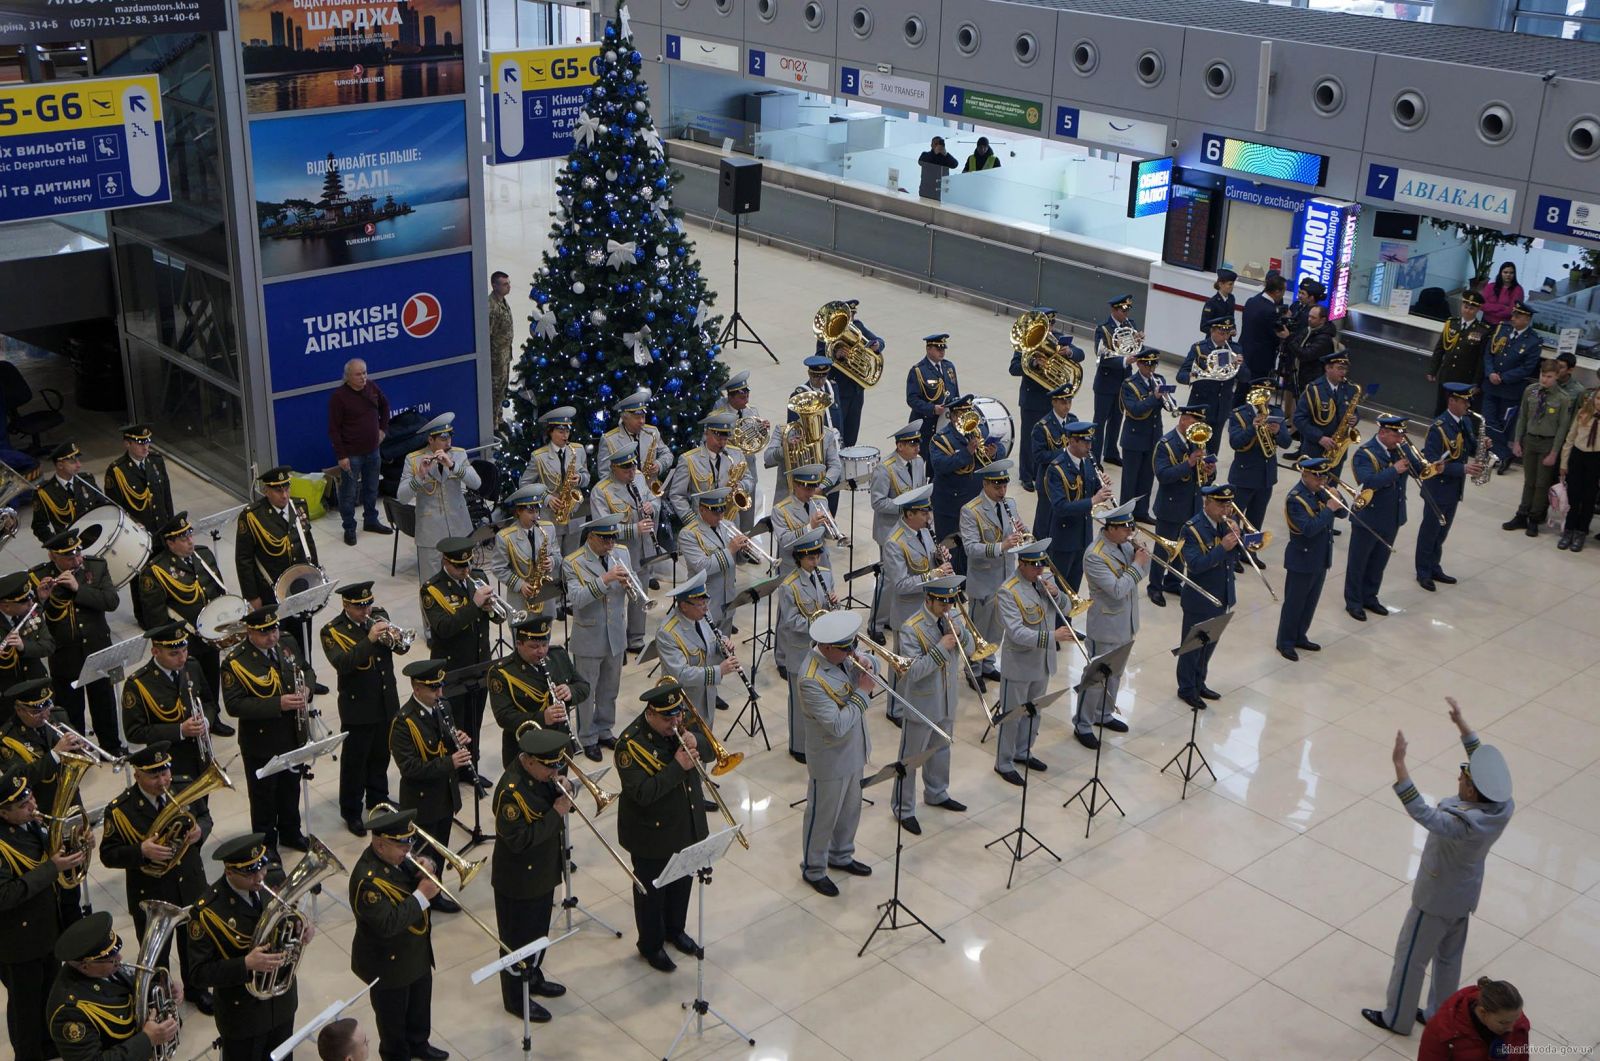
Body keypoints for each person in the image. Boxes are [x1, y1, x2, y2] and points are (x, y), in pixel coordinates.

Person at [1363, 699, 1513, 1037]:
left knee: (1410, 959)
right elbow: (1484, 765)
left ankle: (1397, 1018)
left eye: (1462, 775)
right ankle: (1439, 1016)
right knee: (1448, 961)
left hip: (1434, 899)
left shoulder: (1464, 823)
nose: (1458, 777)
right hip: (1463, 897)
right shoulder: (1500, 807)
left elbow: (1424, 814)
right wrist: (1462, 725)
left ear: (1472, 789)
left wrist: (1400, 765)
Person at [98, 742, 212, 1013]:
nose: (163, 781)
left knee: (194, 942)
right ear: (137, 775)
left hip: (190, 882)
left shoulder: (183, 788)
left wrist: (200, 833)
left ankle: (197, 989)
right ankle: (162, 1000)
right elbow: (108, 854)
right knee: (157, 953)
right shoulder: (120, 809)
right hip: (152, 891)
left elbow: (205, 817)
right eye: (154, 776)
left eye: (166, 772)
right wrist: (141, 850)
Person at [614, 680, 709, 969]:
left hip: (685, 821)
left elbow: (712, 748)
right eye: (667, 718)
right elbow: (643, 793)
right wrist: (677, 767)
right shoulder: (629, 745)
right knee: (652, 893)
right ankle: (651, 945)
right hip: (650, 833)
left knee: (682, 882)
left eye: (677, 715)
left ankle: (675, 930)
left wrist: (697, 742)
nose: (675, 722)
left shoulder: (680, 719)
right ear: (650, 713)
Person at [187, 834, 304, 1061]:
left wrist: (301, 926)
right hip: (243, 1017)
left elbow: (287, 919)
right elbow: (198, 974)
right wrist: (245, 964)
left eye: (262, 869)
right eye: (250, 874)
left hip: (282, 1003)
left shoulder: (271, 881)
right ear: (229, 872)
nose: (260, 878)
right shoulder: (207, 912)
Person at [349, 807, 447, 1061]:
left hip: (415, 952)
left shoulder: (396, 859)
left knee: (419, 1007)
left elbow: (415, 871)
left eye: (409, 844)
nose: (408, 851)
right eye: (402, 846)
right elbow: (388, 925)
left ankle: (419, 1044)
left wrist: (430, 864)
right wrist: (422, 895)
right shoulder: (367, 881)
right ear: (380, 845)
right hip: (388, 964)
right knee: (393, 1024)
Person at [0, 763, 81, 1061]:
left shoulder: (33, 822)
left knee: (48, 995)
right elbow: (5, 895)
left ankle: (48, 1045)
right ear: (3, 813)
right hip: (18, 941)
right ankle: (28, 1054)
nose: (33, 805)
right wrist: (52, 868)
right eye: (23, 804)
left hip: (47, 927)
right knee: (24, 1007)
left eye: (31, 796)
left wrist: (76, 847)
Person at [491, 726, 571, 1020]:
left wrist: (563, 787)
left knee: (538, 933)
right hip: (518, 879)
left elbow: (552, 792)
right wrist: (556, 813)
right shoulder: (511, 793)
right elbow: (519, 840)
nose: (554, 773)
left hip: (542, 870)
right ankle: (515, 999)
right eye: (549, 768)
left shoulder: (539, 775)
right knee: (516, 942)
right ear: (529, 761)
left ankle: (533, 977)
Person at [222, 606, 314, 860]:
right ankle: (265, 843)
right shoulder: (236, 662)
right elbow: (234, 705)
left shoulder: (286, 641)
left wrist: (307, 688)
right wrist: (278, 704)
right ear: (250, 632)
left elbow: (305, 669)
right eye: (264, 633)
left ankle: (290, 831)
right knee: (264, 796)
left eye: (273, 629)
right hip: (261, 741)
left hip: (292, 733)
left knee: (290, 788)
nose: (272, 637)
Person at [0, 679, 90, 933]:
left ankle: (76, 932)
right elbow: (20, 778)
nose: (45, 714)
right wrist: (54, 754)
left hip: (69, 806)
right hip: (40, 812)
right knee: (52, 879)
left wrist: (79, 750)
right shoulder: (7, 742)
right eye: (36, 710)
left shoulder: (57, 716)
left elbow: (74, 761)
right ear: (19, 710)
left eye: (46, 706)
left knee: (72, 879)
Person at [797, 611, 874, 896]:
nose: (852, 652)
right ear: (827, 647)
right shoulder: (811, 679)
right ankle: (814, 868)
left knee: (850, 810)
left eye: (853, 647)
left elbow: (867, 660)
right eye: (847, 649)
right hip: (830, 758)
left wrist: (868, 662)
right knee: (823, 816)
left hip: (854, 750)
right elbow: (837, 725)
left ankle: (841, 854)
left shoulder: (842, 655)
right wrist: (864, 692)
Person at [31, 528, 122, 756]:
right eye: (69, 557)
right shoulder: (37, 577)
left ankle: (111, 746)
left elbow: (111, 601)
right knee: (71, 708)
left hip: (97, 648)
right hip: (65, 654)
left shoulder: (96, 567)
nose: (77, 560)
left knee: (104, 702)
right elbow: (30, 622)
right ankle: (78, 752)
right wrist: (40, 599)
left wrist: (78, 588)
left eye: (78, 554)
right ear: (53, 556)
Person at [892, 575, 971, 834]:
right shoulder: (911, 628)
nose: (948, 608)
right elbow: (912, 672)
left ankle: (937, 792)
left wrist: (961, 635)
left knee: (941, 749)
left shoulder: (952, 617)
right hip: (922, 704)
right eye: (942, 603)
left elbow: (970, 648)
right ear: (929, 599)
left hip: (947, 699)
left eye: (950, 602)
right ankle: (902, 808)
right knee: (911, 758)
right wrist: (940, 648)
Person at [321, 582, 401, 836]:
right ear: (346, 605)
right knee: (355, 763)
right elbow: (343, 664)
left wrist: (397, 639)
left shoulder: (379, 616)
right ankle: (352, 811)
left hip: (385, 701)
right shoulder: (331, 631)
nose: (366, 610)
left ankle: (378, 799)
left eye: (368, 604)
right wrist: (369, 639)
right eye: (359, 607)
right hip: (358, 707)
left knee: (380, 755)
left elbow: (401, 648)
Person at [993, 538, 1073, 784]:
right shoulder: (1008, 591)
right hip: (1019, 664)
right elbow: (1016, 632)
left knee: (1034, 711)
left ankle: (1023, 751)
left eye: (1042, 565)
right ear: (1022, 564)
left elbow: (1068, 607)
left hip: (1042, 662)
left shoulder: (1045, 582)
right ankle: (1004, 762)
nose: (1040, 570)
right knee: (1012, 715)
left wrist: (1057, 594)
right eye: (1035, 566)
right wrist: (1052, 636)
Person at [48, 910, 179, 1060]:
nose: (120, 958)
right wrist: (147, 1039)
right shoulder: (69, 1012)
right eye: (112, 958)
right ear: (85, 966)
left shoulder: (104, 969)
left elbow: (131, 989)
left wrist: (165, 990)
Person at [419, 537, 494, 784]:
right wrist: (474, 606)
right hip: (452, 668)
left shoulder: (476, 578)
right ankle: (450, 771)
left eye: (468, 564)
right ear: (445, 562)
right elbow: (443, 628)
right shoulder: (432, 590)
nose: (466, 571)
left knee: (474, 719)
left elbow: (492, 620)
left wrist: (492, 609)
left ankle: (470, 767)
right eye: (460, 567)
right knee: (453, 723)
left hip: (479, 663)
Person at [121, 624, 218, 813]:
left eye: (184, 650)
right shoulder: (138, 684)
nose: (182, 658)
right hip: (168, 764)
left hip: (200, 757)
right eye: (174, 654)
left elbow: (209, 702)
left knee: (201, 813)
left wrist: (205, 720)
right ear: (155, 651)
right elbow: (134, 732)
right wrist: (180, 730)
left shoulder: (192, 666)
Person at [139, 511, 233, 707]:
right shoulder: (156, 571)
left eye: (190, 535)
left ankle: (213, 715)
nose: (190, 541)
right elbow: (155, 616)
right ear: (170, 543)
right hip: (183, 640)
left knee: (211, 675)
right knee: (189, 684)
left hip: (210, 632)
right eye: (183, 538)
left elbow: (217, 591)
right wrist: (172, 645)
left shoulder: (203, 554)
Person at [236, 466, 322, 673]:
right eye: (278, 490)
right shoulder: (252, 516)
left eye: (286, 488)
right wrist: (252, 596)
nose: (284, 495)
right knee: (277, 637)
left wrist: (316, 576)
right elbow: (244, 559)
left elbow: (307, 543)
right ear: (266, 491)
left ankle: (305, 674)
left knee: (302, 630)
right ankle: (283, 678)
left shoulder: (298, 506)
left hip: (300, 585)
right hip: (270, 589)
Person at [1075, 503, 1146, 749]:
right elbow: (1117, 590)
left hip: (1126, 620)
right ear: (1111, 528)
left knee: (1115, 673)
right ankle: (1082, 723)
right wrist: (1137, 564)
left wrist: (1141, 558)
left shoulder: (1124, 544)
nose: (1130, 532)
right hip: (1105, 624)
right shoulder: (1095, 555)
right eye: (1125, 528)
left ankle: (1103, 714)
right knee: (1096, 677)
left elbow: (1139, 575)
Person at [880, 485, 951, 723]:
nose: (928, 517)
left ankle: (915, 703)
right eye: (923, 513)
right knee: (902, 663)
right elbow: (899, 585)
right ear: (909, 514)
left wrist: (939, 560)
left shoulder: (924, 531)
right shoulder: (894, 542)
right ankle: (895, 710)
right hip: (908, 612)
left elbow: (927, 561)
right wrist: (933, 575)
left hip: (927, 610)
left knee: (923, 660)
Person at [562, 514, 631, 760]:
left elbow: (628, 589)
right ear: (591, 537)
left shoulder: (622, 553)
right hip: (589, 636)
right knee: (586, 692)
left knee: (610, 689)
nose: (610, 544)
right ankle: (588, 737)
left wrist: (628, 586)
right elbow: (577, 600)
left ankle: (604, 729)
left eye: (613, 537)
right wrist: (606, 579)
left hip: (615, 635)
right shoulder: (573, 562)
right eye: (605, 539)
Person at [390, 658, 469, 857]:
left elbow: (443, 743)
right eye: (434, 689)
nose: (440, 693)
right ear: (417, 689)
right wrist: (449, 762)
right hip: (423, 804)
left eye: (441, 686)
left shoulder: (443, 707)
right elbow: (409, 768)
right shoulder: (403, 723)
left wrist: (458, 739)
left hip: (446, 796)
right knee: (423, 860)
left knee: (439, 855)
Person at [488, 614, 586, 769]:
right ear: (518, 644)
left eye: (544, 645)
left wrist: (571, 691)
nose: (541, 651)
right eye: (534, 646)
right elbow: (504, 717)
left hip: (559, 743)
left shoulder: (558, 656)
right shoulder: (502, 673)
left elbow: (584, 686)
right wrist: (542, 718)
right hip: (525, 751)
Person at [1417, 384, 1486, 590]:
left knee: (1442, 531)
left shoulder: (1464, 421)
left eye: (1468, 401)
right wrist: (1462, 469)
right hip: (1437, 488)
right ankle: (1423, 571)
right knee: (1430, 531)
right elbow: (1431, 461)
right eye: (1464, 401)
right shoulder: (1438, 427)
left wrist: (1484, 444)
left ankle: (1434, 566)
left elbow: (1469, 445)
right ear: (1452, 401)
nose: (1468, 405)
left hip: (1454, 488)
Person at [1276, 458, 1346, 661]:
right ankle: (1285, 641)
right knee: (1294, 603)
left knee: (1310, 603)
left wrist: (1337, 498)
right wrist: (1329, 509)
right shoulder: (1295, 499)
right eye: (1317, 476)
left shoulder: (1321, 492)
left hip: (1320, 557)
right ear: (1304, 475)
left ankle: (1300, 635)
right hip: (1302, 558)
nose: (1321, 480)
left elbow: (1342, 512)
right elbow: (1308, 529)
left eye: (1324, 476)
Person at [1176, 485, 1238, 710]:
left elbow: (1234, 559)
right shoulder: (1191, 529)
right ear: (1207, 503)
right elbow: (1195, 565)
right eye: (1221, 504)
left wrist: (1239, 539)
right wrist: (1222, 548)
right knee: (1192, 647)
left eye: (1228, 504)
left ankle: (1199, 682)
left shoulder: (1225, 524)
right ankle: (1186, 688)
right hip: (1199, 598)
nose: (1226, 509)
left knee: (1209, 644)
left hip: (1221, 594)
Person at [589, 449, 661, 643]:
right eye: (626, 468)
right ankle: (615, 639)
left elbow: (654, 499)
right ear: (614, 468)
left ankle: (636, 637)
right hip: (616, 552)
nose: (632, 472)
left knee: (641, 592)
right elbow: (602, 527)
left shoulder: (638, 478)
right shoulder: (601, 491)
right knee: (616, 598)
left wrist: (651, 507)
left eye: (634, 466)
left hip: (643, 548)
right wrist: (633, 529)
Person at [398, 414, 479, 582]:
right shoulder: (413, 459)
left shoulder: (459, 455)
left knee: (465, 579)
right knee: (432, 583)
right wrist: (420, 476)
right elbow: (402, 497)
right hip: (431, 532)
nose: (448, 443)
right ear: (430, 439)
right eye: (442, 439)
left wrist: (453, 466)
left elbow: (477, 483)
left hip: (459, 528)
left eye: (450, 437)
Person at [959, 461, 1021, 683]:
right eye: (997, 487)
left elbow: (1017, 530)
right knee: (978, 630)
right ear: (985, 484)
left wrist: (1021, 536)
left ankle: (988, 664)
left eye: (1004, 486)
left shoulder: (1009, 504)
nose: (1002, 492)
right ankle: (973, 669)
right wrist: (1002, 546)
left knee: (997, 627)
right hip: (983, 581)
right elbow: (971, 548)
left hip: (1005, 578)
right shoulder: (970, 510)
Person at [1344, 415, 1410, 621]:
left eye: (1401, 434)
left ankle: (1370, 597)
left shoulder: (1399, 449)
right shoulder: (1364, 453)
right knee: (1359, 562)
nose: (1400, 439)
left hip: (1392, 515)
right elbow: (1369, 481)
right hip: (1369, 516)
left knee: (1379, 561)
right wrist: (1393, 470)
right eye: (1395, 434)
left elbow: (1418, 470)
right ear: (1382, 433)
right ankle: (1353, 601)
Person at [930, 393, 1007, 568]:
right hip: (951, 505)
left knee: (972, 542)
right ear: (954, 416)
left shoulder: (979, 430)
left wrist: (994, 452)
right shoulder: (940, 439)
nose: (967, 418)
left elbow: (1000, 448)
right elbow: (940, 465)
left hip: (975, 501)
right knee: (951, 547)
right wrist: (966, 453)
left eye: (969, 412)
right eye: (963, 414)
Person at [776, 529, 832, 762]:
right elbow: (790, 622)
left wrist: (831, 605)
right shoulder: (788, 586)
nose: (815, 561)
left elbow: (826, 606)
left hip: (822, 650)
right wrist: (817, 620)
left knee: (818, 697)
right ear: (799, 558)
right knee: (799, 702)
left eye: (817, 556)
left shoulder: (826, 575)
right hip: (799, 650)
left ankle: (817, 741)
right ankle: (798, 746)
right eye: (810, 558)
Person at [1502, 359, 1575, 538]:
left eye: (1549, 377)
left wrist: (1554, 452)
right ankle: (1522, 514)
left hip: (1548, 443)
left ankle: (1534, 518)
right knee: (1529, 481)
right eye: (1543, 375)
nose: (1544, 380)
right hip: (1530, 440)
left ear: (1557, 376)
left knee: (1541, 484)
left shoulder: (1563, 398)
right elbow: (1523, 417)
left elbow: (1562, 429)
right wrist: (1517, 441)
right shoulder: (1531, 391)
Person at [1010, 307, 1080, 491]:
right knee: (1028, 439)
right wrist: (1033, 363)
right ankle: (1026, 475)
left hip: (1053, 401)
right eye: (1047, 325)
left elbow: (1081, 354)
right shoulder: (1027, 340)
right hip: (1032, 400)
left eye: (1053, 324)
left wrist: (1069, 353)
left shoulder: (1058, 339)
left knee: (1053, 438)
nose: (1050, 329)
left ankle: (1049, 471)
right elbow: (1014, 368)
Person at [868, 422, 926, 640]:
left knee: (907, 575)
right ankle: (876, 623)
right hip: (890, 531)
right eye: (912, 444)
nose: (917, 448)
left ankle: (893, 617)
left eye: (917, 443)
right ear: (900, 446)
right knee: (888, 579)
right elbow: (878, 502)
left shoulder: (919, 462)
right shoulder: (886, 468)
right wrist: (906, 506)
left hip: (911, 529)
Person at [654, 571, 738, 718]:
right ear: (684, 606)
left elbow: (713, 636)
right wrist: (719, 671)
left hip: (707, 694)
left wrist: (723, 642)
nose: (706, 608)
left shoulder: (702, 614)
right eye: (700, 604)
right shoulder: (667, 633)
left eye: (706, 602)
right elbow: (681, 674)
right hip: (684, 703)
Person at [327, 359, 393, 545]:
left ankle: (371, 520)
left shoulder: (371, 387)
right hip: (351, 454)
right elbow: (334, 429)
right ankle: (349, 527)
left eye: (365, 372)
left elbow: (385, 406)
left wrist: (383, 430)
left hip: (373, 450)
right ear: (347, 376)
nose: (363, 377)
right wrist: (341, 456)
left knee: (372, 488)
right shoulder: (339, 397)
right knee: (349, 493)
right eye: (358, 374)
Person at [1151, 406, 1210, 606]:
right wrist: (1189, 464)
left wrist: (1209, 471)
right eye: (1194, 422)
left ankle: (1173, 581)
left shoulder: (1198, 442)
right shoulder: (1165, 444)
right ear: (1183, 420)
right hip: (1170, 506)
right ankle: (1155, 586)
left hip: (1191, 505)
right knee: (1163, 550)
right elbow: (1163, 476)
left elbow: (1203, 481)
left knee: (1183, 548)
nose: (1197, 427)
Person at [1043, 424, 1111, 593]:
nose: (1089, 447)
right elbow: (1060, 507)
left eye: (1090, 442)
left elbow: (1091, 487)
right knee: (1060, 588)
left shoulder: (1087, 460)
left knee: (1073, 588)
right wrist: (1093, 500)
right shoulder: (1056, 469)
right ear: (1072, 441)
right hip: (1064, 539)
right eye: (1085, 442)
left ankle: (1068, 619)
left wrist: (1102, 485)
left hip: (1083, 536)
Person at [1227, 380, 1292, 551]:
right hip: (1244, 476)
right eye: (1261, 392)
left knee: (1256, 518)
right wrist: (1252, 428)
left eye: (1268, 393)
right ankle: (1233, 553)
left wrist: (1278, 431)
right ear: (1252, 393)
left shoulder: (1276, 413)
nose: (1265, 398)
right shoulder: (1239, 414)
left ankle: (1250, 551)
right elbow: (1235, 442)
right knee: (1236, 518)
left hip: (1266, 477)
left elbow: (1286, 443)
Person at [1481, 301, 1544, 467]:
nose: (1513, 318)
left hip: (1511, 389)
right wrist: (1491, 373)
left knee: (1504, 424)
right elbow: (1489, 354)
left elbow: (1527, 368)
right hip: (1491, 385)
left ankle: (1498, 455)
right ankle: (1503, 453)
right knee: (1487, 420)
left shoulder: (1533, 341)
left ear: (1528, 319)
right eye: (1514, 314)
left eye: (1518, 316)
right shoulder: (1502, 329)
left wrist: (1503, 377)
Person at [667, 412, 756, 529]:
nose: (722, 443)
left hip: (731, 522)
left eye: (725, 438)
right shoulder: (689, 459)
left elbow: (749, 479)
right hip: (701, 524)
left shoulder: (736, 454)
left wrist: (741, 486)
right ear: (707, 433)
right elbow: (677, 495)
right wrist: (691, 522)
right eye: (718, 438)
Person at [526, 406, 592, 560]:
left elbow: (586, 476)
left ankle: (570, 584)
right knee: (553, 559)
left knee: (573, 558)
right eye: (561, 432)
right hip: (551, 516)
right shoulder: (539, 457)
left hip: (574, 514)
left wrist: (580, 478)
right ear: (551, 432)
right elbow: (526, 485)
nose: (565, 436)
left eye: (567, 431)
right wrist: (547, 499)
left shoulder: (578, 450)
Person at [763, 384, 844, 508]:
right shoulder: (783, 431)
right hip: (787, 498)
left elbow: (835, 466)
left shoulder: (827, 435)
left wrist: (821, 487)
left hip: (815, 496)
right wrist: (785, 448)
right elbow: (768, 458)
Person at [818, 298, 882, 448]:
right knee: (837, 435)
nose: (851, 320)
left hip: (857, 392)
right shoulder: (827, 333)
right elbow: (818, 360)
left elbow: (879, 341)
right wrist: (835, 355)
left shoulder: (858, 327)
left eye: (852, 315)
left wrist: (877, 345)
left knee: (852, 435)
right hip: (838, 392)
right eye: (848, 316)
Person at [711, 370, 769, 535]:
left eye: (747, 396)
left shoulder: (752, 412)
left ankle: (746, 541)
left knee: (747, 506)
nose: (746, 401)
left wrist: (763, 430)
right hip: (729, 467)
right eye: (742, 398)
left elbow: (757, 440)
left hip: (748, 466)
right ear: (731, 397)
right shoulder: (720, 412)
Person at [1416, 977, 1530, 1061]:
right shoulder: (1443, 1030)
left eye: (1516, 1018)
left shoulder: (1516, 1022)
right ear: (1482, 1012)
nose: (1511, 1028)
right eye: (1503, 1023)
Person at [490, 485, 559, 621]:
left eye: (537, 510)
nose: (536, 515)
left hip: (546, 598)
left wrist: (552, 561)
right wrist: (519, 584)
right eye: (530, 511)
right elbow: (498, 568)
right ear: (518, 512)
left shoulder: (548, 528)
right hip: (521, 599)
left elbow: (557, 555)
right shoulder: (505, 537)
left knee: (545, 637)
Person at [597, 390, 675, 500]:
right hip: (624, 496)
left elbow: (668, 455)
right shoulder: (609, 439)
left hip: (651, 492)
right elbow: (604, 476)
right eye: (637, 417)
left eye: (643, 416)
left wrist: (659, 464)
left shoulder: (652, 432)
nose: (642, 421)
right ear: (625, 418)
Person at [1293, 350, 1359, 479]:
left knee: (1332, 489)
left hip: (1337, 451)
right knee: (1313, 488)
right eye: (1340, 368)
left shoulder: (1349, 389)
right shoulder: (1314, 389)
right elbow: (1299, 419)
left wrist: (1355, 419)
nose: (1343, 372)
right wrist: (1320, 438)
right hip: (1315, 449)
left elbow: (1354, 411)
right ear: (1328, 368)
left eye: (1345, 369)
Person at [1092, 295, 1142, 466]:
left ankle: (1111, 452)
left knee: (1117, 419)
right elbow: (1102, 357)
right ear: (1114, 310)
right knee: (1100, 422)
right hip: (1106, 383)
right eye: (1123, 310)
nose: (1126, 313)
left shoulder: (1131, 325)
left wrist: (1137, 342)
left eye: (1128, 310)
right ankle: (1095, 457)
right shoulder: (1103, 329)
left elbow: (1132, 349)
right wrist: (1124, 361)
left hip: (1123, 381)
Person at [1177, 318, 1239, 453]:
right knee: (1193, 448)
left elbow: (1245, 377)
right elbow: (1181, 375)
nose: (1224, 336)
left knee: (1212, 450)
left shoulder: (1235, 349)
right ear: (1212, 331)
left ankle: (1210, 474)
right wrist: (1197, 376)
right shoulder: (1199, 348)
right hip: (1200, 407)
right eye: (1221, 332)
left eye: (1227, 332)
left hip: (1221, 407)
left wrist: (1240, 364)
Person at [1119, 349, 1167, 523]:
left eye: (1154, 364)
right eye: (1147, 364)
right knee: (1130, 480)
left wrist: (1167, 400)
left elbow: (1166, 406)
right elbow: (1134, 409)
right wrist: (1154, 397)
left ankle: (1141, 512)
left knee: (1147, 478)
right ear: (1139, 364)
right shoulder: (1129, 384)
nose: (1151, 368)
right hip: (1134, 439)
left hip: (1153, 436)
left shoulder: (1160, 380)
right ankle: (1124, 514)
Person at [104, 423, 174, 537]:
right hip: (139, 533)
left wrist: (171, 524)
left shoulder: (156, 460)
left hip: (162, 528)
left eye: (147, 441)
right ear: (127, 444)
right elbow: (116, 507)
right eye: (140, 443)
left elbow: (166, 496)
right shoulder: (117, 471)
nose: (145, 447)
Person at [1426, 291, 1489, 415]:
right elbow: (1440, 348)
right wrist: (1433, 370)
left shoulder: (1482, 330)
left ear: (1477, 310)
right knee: (1441, 407)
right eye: (1465, 307)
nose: (1467, 311)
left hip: (1464, 378)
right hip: (1446, 374)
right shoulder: (1451, 323)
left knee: (1459, 410)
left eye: (1471, 308)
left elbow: (1481, 360)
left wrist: (1476, 383)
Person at [1029, 384, 1081, 535]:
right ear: (1054, 402)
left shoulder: (1073, 421)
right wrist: (1066, 452)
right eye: (1063, 402)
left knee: (1060, 523)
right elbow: (1039, 456)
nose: (1067, 406)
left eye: (1069, 402)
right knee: (1044, 522)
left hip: (1068, 479)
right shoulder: (1042, 427)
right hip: (1048, 480)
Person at [30, 441, 103, 545]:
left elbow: (102, 505)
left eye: (78, 460)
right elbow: (39, 526)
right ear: (60, 465)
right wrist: (56, 545)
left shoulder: (87, 480)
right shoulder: (45, 492)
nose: (79, 465)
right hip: (68, 545)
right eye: (73, 462)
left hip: (96, 537)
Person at [1236, 271, 1289, 408]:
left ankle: (1235, 413)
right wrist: (1284, 335)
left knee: (1242, 387)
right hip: (1261, 357)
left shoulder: (1252, 301)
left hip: (1245, 350)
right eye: (1283, 290)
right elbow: (1274, 335)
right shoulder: (1270, 311)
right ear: (1277, 292)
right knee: (1257, 390)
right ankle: (1251, 417)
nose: (1283, 294)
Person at [1558, 386, 1600, 552]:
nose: (1599, 403)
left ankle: (1581, 531)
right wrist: (1563, 463)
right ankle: (1569, 530)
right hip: (1578, 456)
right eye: (1597, 399)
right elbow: (1570, 438)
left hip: (1596, 459)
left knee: (1589, 499)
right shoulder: (1583, 413)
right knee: (1573, 496)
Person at [1283, 304, 1338, 421]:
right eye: (1309, 316)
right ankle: (1294, 426)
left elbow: (1305, 355)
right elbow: (1297, 345)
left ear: (1322, 320)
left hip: (1311, 377)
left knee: (1306, 410)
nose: (1309, 319)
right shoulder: (1309, 330)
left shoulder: (1324, 339)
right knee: (1297, 407)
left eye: (1313, 318)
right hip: (1300, 374)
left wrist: (1289, 338)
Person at [906, 334, 959, 455]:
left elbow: (955, 393)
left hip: (945, 424)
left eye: (943, 349)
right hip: (926, 425)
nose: (942, 352)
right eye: (938, 349)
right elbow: (912, 399)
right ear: (928, 349)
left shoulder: (949, 367)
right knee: (921, 460)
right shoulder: (918, 371)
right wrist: (932, 409)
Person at [488, 270, 513, 418]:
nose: (508, 287)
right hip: (495, 359)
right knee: (495, 391)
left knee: (502, 390)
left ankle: (499, 417)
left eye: (508, 283)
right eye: (504, 284)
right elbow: (487, 334)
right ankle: (492, 424)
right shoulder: (491, 307)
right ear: (494, 285)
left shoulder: (502, 301)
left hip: (505, 355)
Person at [1480, 261, 1523, 325]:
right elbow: (1482, 305)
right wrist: (1501, 307)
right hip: (1485, 322)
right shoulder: (1490, 286)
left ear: (1514, 274)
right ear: (1500, 273)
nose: (1508, 275)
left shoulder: (1518, 290)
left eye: (1511, 273)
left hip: (1504, 325)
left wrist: (1491, 310)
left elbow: (1512, 311)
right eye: (1505, 272)